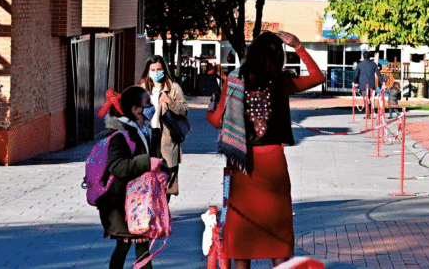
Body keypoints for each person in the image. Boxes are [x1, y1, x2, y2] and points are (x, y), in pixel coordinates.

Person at [207, 31, 325, 268]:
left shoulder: (235, 80)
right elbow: (318, 76)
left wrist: (210, 111)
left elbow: (219, 120)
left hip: (242, 163)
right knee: (277, 226)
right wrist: (298, 45)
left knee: (241, 228)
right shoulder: (283, 82)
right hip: (273, 161)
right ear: (279, 56)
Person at [99, 86, 171, 269]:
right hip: (123, 204)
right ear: (136, 109)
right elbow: (117, 166)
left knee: (142, 247)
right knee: (124, 246)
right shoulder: (121, 135)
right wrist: (146, 163)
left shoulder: (147, 131)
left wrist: (164, 173)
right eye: (148, 102)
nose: (151, 106)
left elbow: (158, 160)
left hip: (142, 203)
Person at [138, 56, 189, 198]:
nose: (156, 72)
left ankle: (164, 208)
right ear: (148, 71)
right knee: (148, 174)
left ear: (164, 70)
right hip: (147, 135)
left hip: (166, 136)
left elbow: (184, 110)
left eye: (159, 69)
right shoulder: (141, 88)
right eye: (153, 70)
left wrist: (171, 102)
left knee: (167, 175)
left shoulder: (173, 88)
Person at [352, 51, 383, 116]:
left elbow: (356, 74)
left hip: (363, 84)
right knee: (370, 99)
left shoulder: (360, 64)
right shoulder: (373, 64)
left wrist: (355, 81)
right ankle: (370, 112)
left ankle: (368, 114)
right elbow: (378, 73)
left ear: (363, 56)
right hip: (371, 84)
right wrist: (382, 81)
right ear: (369, 56)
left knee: (365, 99)